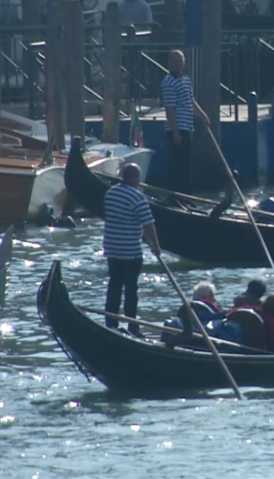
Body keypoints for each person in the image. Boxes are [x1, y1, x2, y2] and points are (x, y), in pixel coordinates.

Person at [102, 163, 161, 336]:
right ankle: (132, 326)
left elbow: (121, 219)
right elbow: (148, 224)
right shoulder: (137, 197)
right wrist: (155, 246)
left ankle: (110, 323)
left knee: (114, 287)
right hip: (130, 252)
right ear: (135, 178)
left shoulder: (110, 193)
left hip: (112, 249)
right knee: (130, 290)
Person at [162, 50, 210, 194]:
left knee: (186, 164)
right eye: (175, 61)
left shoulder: (186, 80)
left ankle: (186, 195)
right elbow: (169, 109)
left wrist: (203, 116)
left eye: (180, 61)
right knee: (179, 164)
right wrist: (175, 132)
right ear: (169, 63)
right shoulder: (168, 82)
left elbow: (191, 102)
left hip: (187, 127)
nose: (178, 64)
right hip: (177, 128)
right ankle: (177, 195)